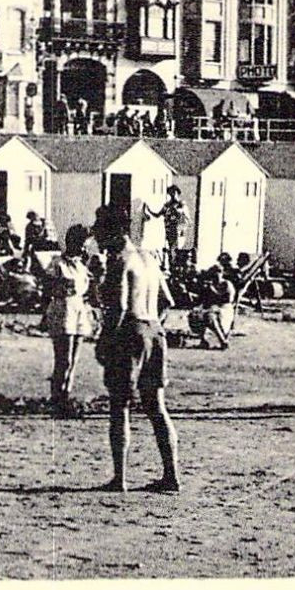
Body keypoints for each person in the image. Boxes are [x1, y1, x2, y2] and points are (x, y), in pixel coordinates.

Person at [92, 204, 181, 493]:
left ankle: (120, 478)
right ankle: (171, 475)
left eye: (102, 231)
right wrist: (151, 324)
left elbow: (117, 308)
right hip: (154, 329)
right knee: (156, 407)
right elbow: (167, 301)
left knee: (120, 406)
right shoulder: (149, 258)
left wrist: (104, 341)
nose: (99, 238)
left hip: (129, 332)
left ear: (115, 231)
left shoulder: (120, 260)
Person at [45, 225, 95, 409]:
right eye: (82, 244)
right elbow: (46, 288)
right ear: (73, 243)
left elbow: (89, 291)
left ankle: (66, 394)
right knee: (63, 359)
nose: (85, 248)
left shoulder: (82, 266)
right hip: (62, 309)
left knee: (74, 360)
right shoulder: (57, 263)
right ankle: (56, 396)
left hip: (79, 309)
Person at [157, 186, 188, 275]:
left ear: (178, 193)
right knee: (170, 252)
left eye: (174, 193)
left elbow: (185, 217)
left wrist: (182, 228)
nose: (172, 195)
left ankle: (176, 272)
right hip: (169, 231)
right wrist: (147, 210)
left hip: (178, 232)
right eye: (170, 193)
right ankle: (172, 271)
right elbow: (158, 214)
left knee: (175, 252)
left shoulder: (181, 204)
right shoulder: (167, 205)